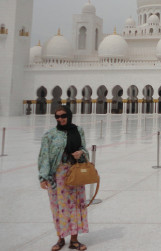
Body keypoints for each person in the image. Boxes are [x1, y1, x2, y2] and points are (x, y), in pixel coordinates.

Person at [38, 106, 89, 251]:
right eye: (57, 116)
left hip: (75, 172)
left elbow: (84, 149)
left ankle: (74, 239)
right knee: (58, 207)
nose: (60, 119)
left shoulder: (78, 131)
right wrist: (43, 177)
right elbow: (44, 156)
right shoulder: (50, 135)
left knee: (75, 205)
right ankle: (60, 238)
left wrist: (81, 153)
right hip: (57, 176)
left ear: (69, 116)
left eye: (63, 116)